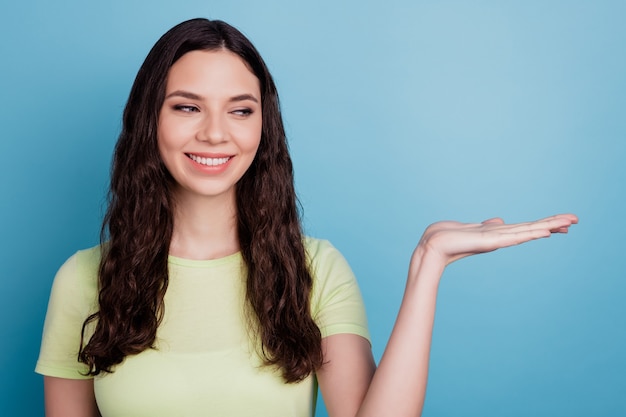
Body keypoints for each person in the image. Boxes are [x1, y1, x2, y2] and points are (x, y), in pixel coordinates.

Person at [35, 18, 577, 417]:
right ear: (148, 120)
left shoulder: (314, 269)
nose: (216, 133)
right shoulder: (84, 280)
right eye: (187, 106)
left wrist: (427, 264)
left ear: (262, 127)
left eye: (240, 110)